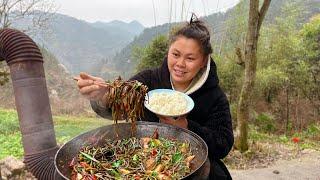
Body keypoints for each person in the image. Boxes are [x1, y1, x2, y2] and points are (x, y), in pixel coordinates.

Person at [77, 14, 234, 180]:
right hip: (142, 164)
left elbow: (223, 144)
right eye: (175, 54)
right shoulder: (148, 80)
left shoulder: (215, 96)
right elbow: (119, 103)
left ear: (203, 61)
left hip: (194, 170)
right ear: (168, 52)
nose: (180, 64)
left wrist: (187, 127)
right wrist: (104, 95)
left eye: (190, 58)